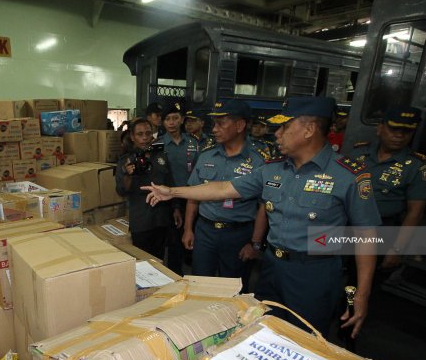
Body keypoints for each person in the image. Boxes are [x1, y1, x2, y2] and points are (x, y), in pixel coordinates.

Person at [143, 97, 381, 339]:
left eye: (284, 127)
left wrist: (362, 294)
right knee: (266, 331)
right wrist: (171, 192)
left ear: (309, 129)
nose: (276, 134)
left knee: (306, 339)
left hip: (314, 272)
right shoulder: (273, 168)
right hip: (271, 267)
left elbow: (367, 236)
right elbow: (223, 189)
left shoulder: (348, 175)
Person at [183, 99, 270, 291]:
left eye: (221, 124)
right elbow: (194, 195)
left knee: (234, 289)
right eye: (214, 124)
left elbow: (264, 206)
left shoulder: (259, 161)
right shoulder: (206, 155)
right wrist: (188, 229)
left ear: (240, 125)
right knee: (198, 285)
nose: (214, 129)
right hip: (205, 232)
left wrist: (255, 244)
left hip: (238, 235)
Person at [352, 105, 426, 270]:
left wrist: (397, 248)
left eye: (407, 131)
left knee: (362, 284)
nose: (399, 135)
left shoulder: (417, 165)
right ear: (380, 128)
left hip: (381, 232)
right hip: (346, 226)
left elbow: (415, 212)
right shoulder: (358, 153)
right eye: (394, 129)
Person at [116, 117, 179, 261]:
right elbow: (121, 190)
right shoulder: (126, 160)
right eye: (140, 134)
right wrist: (128, 174)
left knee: (160, 259)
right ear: (132, 137)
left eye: (148, 133)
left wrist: (175, 208)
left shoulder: (160, 155)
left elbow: (170, 182)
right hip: (141, 220)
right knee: (142, 261)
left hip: (162, 217)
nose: (144, 137)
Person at [159, 102, 198, 274]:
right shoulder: (158, 145)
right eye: (167, 119)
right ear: (163, 123)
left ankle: (193, 271)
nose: (172, 122)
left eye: (175, 118)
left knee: (193, 236)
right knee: (174, 241)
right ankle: (175, 274)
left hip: (194, 198)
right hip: (169, 200)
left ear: (182, 120)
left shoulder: (194, 143)